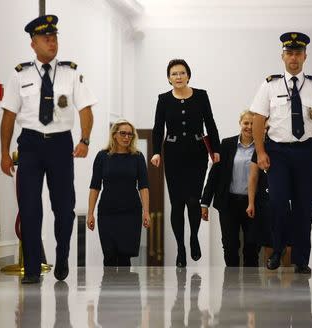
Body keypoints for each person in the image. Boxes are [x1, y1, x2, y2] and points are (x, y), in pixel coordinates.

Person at [0, 15, 97, 283]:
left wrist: (85, 139)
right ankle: (32, 268)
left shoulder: (71, 73)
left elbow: (86, 110)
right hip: (29, 145)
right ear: (33, 44)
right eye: (46, 38)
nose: (52, 42)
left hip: (60, 144)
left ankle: (63, 255)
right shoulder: (19, 75)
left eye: (54, 37)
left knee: (63, 208)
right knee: (30, 208)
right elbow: (8, 116)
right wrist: (4, 153)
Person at [251, 32, 312, 274]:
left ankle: (301, 259)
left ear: (305, 56)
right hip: (277, 152)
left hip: (308, 152)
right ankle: (277, 251)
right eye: (289, 53)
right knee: (277, 202)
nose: (294, 58)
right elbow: (258, 118)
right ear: (283, 56)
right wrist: (260, 151)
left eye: (298, 53)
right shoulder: (269, 85)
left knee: (304, 206)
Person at [151, 59, 221, 267]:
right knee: (177, 203)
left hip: (196, 153)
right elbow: (157, 128)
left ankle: (193, 238)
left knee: (193, 200)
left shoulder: (201, 96)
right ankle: (181, 247)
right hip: (173, 154)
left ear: (188, 75)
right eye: (174, 74)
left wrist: (215, 150)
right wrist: (156, 152)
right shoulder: (163, 99)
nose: (178, 77)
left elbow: (210, 123)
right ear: (168, 78)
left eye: (182, 73)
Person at [200, 110, 260, 266]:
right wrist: (204, 203)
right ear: (240, 123)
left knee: (252, 248)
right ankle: (230, 287)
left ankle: (251, 287)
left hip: (254, 204)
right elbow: (214, 175)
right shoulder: (226, 144)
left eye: (253, 123)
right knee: (230, 246)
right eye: (246, 123)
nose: (249, 126)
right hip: (229, 203)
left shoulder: (262, 147)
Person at [87, 120, 150, 267]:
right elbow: (95, 186)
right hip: (107, 212)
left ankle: (126, 290)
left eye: (130, 134)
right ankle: (108, 289)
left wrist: (146, 212)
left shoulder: (138, 157)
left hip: (131, 212)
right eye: (123, 133)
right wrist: (90, 213)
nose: (127, 137)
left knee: (124, 257)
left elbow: (144, 186)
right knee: (109, 256)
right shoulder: (102, 156)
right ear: (114, 135)